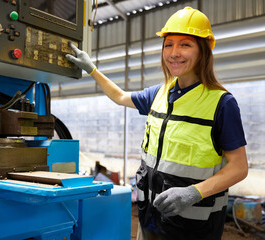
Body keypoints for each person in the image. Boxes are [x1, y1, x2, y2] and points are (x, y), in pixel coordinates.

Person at [66, 6, 248, 240]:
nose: (174, 52)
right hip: (150, 217)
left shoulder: (222, 103)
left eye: (185, 44)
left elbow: (239, 167)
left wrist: (193, 192)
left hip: (191, 226)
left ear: (203, 51)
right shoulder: (159, 94)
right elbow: (120, 97)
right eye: (168, 44)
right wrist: (92, 69)